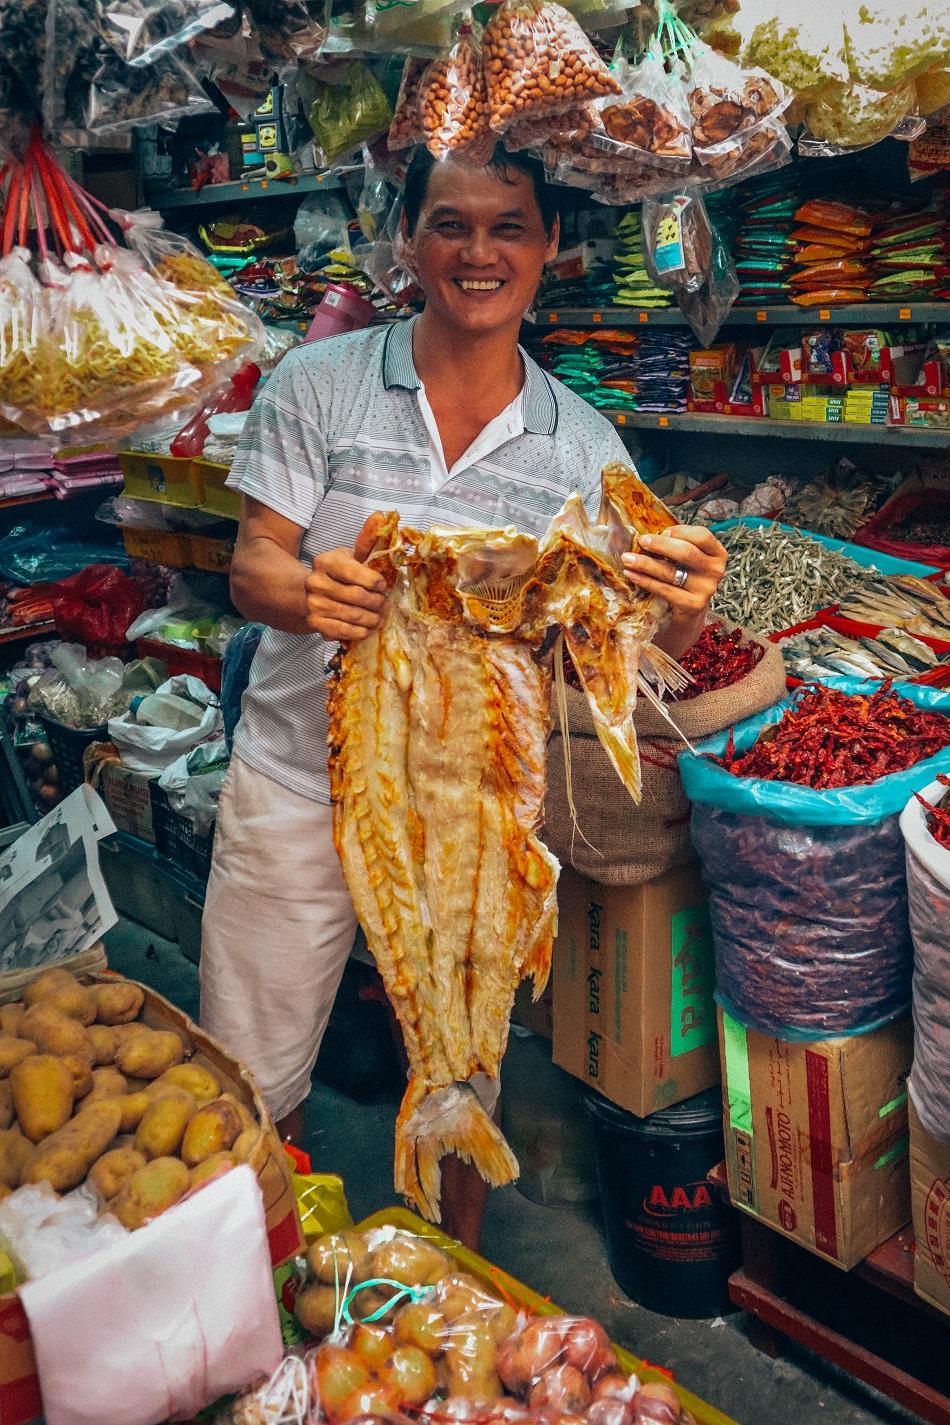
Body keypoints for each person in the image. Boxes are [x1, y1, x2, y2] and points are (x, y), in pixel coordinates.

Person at [200, 143, 728, 1245]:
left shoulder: (583, 449)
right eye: (450, 224)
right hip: (297, 778)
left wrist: (682, 604)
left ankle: (451, 1314)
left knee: (458, 1060)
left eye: (507, 228)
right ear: (408, 241)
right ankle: (257, 1314)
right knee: (247, 1077)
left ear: (546, 251)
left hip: (472, 814)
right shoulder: (317, 383)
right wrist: (304, 594)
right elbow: (252, 567)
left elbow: (620, 649)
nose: (476, 252)